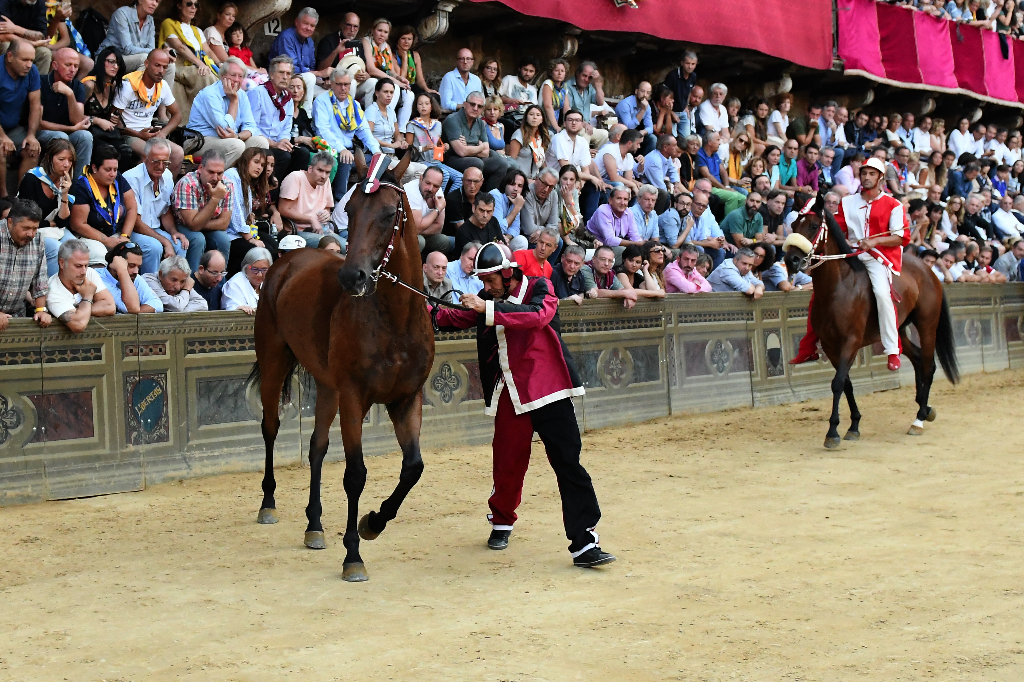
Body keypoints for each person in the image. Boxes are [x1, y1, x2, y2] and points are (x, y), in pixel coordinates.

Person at [432, 242, 614, 567]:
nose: (485, 288)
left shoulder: (540, 287)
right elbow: (454, 317)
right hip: (510, 394)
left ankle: (584, 543)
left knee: (569, 465)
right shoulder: (489, 298)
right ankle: (501, 521)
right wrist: (426, 310)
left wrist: (484, 308)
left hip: (549, 389)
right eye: (483, 283)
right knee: (506, 463)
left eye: (490, 282)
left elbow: (536, 316)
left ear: (506, 273)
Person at [797, 157, 908, 370]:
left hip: (879, 257)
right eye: (864, 173)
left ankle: (892, 350)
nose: (866, 177)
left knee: (883, 294)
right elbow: (835, 230)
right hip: (853, 254)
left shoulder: (894, 204)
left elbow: (901, 237)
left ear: (881, 178)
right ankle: (813, 344)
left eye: (872, 174)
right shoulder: (847, 203)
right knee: (820, 294)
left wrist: (875, 240)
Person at [123, 137, 197, 273]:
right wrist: (165, 241)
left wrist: (174, 232)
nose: (161, 166)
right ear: (145, 158)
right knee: (154, 247)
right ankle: (152, 286)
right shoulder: (131, 178)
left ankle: (175, 283)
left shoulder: (167, 175)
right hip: (133, 230)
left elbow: (165, 210)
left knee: (180, 243)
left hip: (154, 229)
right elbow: (136, 223)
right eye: (156, 161)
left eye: (165, 162)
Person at [68, 143, 143, 266]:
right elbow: (78, 224)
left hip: (117, 233)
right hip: (89, 237)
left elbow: (131, 207)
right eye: (108, 170)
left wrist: (125, 236)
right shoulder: (82, 186)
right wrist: (106, 240)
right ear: (94, 168)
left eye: (115, 169)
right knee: (100, 253)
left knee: (141, 250)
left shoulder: (117, 178)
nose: (113, 174)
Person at [313, 67, 381, 201]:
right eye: (339, 84)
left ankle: (371, 201)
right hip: (329, 150)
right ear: (332, 84)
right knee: (345, 159)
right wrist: (341, 149)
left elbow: (365, 132)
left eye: (347, 84)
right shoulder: (322, 101)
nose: (343, 88)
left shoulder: (354, 105)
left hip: (350, 151)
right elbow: (323, 130)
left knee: (377, 161)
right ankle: (340, 201)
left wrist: (377, 152)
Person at [113, 48, 184, 176]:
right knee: (152, 154)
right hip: (128, 134)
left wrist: (163, 133)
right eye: (157, 65)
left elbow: (177, 115)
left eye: (164, 67)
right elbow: (113, 120)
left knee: (178, 153)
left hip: (149, 134)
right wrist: (138, 134)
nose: (161, 71)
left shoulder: (163, 86)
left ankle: (165, 191)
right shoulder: (129, 85)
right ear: (146, 64)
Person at [188, 57, 268, 166]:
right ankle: (218, 179)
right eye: (232, 75)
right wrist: (234, 101)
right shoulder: (210, 94)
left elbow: (251, 126)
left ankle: (240, 180)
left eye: (240, 76)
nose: (236, 79)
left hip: (231, 139)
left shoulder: (242, 94)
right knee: (237, 145)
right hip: (199, 141)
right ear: (222, 76)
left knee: (260, 142)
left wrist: (238, 136)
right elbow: (225, 130)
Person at [248, 55, 308, 184]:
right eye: (281, 72)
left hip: (277, 144)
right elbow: (251, 127)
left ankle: (289, 194)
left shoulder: (288, 100)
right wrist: (274, 144)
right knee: (283, 157)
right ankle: (271, 197)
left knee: (302, 154)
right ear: (272, 74)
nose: (285, 77)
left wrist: (284, 141)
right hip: (260, 143)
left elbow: (287, 127)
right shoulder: (258, 93)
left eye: (288, 73)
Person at [158, 0, 220, 123]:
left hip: (196, 66)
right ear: (179, 5)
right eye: (189, 4)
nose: (193, 7)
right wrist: (200, 63)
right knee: (206, 76)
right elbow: (180, 47)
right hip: (178, 65)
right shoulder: (169, 23)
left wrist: (220, 65)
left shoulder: (197, 30)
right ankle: (215, 120)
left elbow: (208, 51)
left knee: (221, 78)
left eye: (196, 5)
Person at [19, 138, 73, 276]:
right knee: (55, 248)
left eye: (70, 160)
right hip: (29, 229)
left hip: (52, 229)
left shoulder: (66, 182)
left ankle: (70, 289)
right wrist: (50, 223)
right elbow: (27, 218)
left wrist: (64, 194)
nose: (66, 164)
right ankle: (51, 290)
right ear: (49, 158)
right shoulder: (32, 179)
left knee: (74, 247)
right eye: (61, 159)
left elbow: (62, 222)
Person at [37, 47, 91, 174]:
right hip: (42, 132)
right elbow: (37, 122)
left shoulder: (77, 86)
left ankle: (78, 187)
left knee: (85, 136)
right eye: (68, 65)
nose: (73, 70)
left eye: (76, 66)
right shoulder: (41, 82)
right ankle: (53, 184)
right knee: (61, 137)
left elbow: (77, 120)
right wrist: (70, 129)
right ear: (55, 65)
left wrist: (70, 94)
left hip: (66, 132)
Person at [172, 148, 233, 260]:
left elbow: (224, 223)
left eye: (219, 173)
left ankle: (219, 277)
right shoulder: (188, 183)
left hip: (200, 225)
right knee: (198, 239)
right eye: (211, 172)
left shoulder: (227, 184)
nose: (215, 178)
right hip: (181, 225)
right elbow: (193, 226)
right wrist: (215, 199)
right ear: (200, 168)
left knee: (223, 239)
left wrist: (198, 222)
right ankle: (193, 276)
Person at [546, 108, 606, 220]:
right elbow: (566, 169)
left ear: (582, 124)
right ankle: (571, 223)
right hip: (556, 179)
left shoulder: (582, 141)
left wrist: (581, 184)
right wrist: (591, 178)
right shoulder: (559, 139)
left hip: (572, 179)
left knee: (595, 186)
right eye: (570, 120)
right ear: (564, 123)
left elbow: (586, 168)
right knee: (591, 181)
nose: (574, 123)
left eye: (577, 120)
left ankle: (588, 225)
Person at [0, 39, 42, 197]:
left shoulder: (32, 72)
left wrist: (31, 135)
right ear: (9, 56)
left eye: (31, 60)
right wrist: (2, 137)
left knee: (33, 150)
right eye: (25, 60)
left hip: (14, 128)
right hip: (1, 130)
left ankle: (21, 199)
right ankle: (4, 198)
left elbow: (35, 104)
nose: (29, 64)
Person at [441, 90, 506, 192]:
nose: (475, 108)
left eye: (479, 106)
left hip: (473, 157)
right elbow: (461, 151)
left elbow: (486, 152)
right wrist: (479, 147)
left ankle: (488, 197)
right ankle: (473, 197)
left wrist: (468, 147)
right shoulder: (453, 119)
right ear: (465, 104)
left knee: (501, 163)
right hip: (452, 158)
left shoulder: (480, 122)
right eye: (472, 104)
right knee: (477, 162)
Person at [0, 197, 50, 329]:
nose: (31, 234)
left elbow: (40, 278)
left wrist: (40, 310)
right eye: (26, 228)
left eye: (35, 228)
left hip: (17, 316)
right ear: (10, 222)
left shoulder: (38, 239)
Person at [267, 7, 331, 107]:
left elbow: (311, 68)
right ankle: (305, 117)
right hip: (283, 78)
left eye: (312, 25)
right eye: (305, 23)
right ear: (297, 22)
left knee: (331, 92)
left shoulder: (310, 42)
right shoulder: (286, 37)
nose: (308, 28)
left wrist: (322, 82)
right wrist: (320, 73)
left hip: (303, 81)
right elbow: (292, 69)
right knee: (309, 78)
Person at [46, 238, 115, 330]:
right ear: (62, 263)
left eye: (86, 265)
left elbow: (110, 306)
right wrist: (88, 297)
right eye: (78, 266)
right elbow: (78, 324)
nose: (83, 271)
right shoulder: (51, 289)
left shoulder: (90, 273)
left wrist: (78, 311)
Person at [358, 18, 413, 134]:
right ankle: (383, 122)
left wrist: (399, 78)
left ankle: (400, 130)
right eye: (380, 30)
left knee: (409, 94)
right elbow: (371, 69)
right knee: (395, 87)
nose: (382, 34)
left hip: (384, 82)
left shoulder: (386, 46)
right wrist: (394, 81)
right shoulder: (366, 41)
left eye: (385, 32)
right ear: (373, 30)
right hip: (370, 83)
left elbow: (391, 71)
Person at [98, 0, 174, 81]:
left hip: (131, 60)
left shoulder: (150, 21)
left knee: (169, 65)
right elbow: (128, 49)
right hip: (110, 58)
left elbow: (151, 51)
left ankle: (160, 93)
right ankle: (132, 92)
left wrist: (162, 56)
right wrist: (161, 52)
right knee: (145, 60)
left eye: (157, 1)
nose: (154, 4)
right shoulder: (122, 13)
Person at [224, 146, 272, 273]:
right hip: (228, 233)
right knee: (255, 251)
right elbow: (234, 212)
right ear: (246, 161)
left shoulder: (246, 180)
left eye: (262, 165)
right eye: (256, 162)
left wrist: (249, 215)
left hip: (239, 232)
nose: (259, 168)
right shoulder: (232, 175)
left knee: (272, 245)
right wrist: (250, 238)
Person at [406, 92, 462, 193]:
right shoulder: (412, 124)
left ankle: (446, 201)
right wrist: (423, 148)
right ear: (416, 107)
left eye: (427, 103)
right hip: (421, 161)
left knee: (459, 178)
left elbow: (437, 144)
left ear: (432, 106)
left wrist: (444, 146)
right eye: (420, 104)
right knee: (444, 175)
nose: (423, 106)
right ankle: (434, 201)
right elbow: (408, 149)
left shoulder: (437, 124)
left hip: (436, 161)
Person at [277, 149, 334, 247]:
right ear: (310, 169)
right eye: (320, 170)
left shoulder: (326, 181)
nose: (324, 176)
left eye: (327, 172)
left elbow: (327, 208)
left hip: (320, 230)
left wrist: (326, 214)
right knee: (329, 245)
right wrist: (311, 219)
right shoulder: (295, 177)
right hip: (295, 231)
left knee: (345, 246)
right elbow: (283, 209)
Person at [97, 240, 162, 313]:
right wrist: (122, 270)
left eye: (138, 267)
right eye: (131, 266)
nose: (136, 271)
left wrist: (137, 313)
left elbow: (157, 304)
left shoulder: (134, 277)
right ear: (116, 262)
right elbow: (127, 308)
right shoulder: (97, 277)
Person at [404, 165, 451, 255]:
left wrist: (420, 229)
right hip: (402, 235)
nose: (430, 189)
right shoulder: (411, 191)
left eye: (436, 186)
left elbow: (439, 227)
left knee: (443, 241)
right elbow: (416, 229)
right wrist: (437, 209)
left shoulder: (438, 191)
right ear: (421, 178)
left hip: (417, 233)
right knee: (420, 241)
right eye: (428, 183)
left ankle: (429, 266)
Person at [697, 131, 744, 216]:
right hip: (710, 187)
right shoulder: (700, 154)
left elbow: (723, 172)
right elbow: (707, 176)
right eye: (718, 140)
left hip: (720, 187)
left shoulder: (715, 154)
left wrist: (726, 186)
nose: (720, 142)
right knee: (733, 197)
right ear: (710, 142)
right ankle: (727, 226)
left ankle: (736, 225)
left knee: (743, 198)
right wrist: (724, 188)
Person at [585, 185, 642, 255]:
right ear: (610, 200)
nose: (622, 202)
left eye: (625, 199)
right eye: (619, 198)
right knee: (624, 250)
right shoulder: (603, 211)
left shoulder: (628, 212)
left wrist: (641, 245)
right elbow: (610, 240)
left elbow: (634, 236)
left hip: (610, 248)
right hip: (594, 248)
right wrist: (636, 244)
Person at [142, 254, 207, 312]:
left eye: (182, 281)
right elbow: (176, 307)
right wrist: (186, 290)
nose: (178, 287)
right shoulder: (148, 280)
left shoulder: (184, 283)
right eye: (174, 280)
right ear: (161, 275)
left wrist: (181, 311)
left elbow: (202, 304)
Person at [566, 61, 606, 146]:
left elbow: (600, 102)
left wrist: (598, 84)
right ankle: (585, 159)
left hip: (586, 126)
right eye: (584, 76)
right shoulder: (568, 86)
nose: (587, 79)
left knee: (604, 135)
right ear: (577, 73)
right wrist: (583, 124)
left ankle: (595, 158)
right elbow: (568, 111)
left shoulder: (589, 88)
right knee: (585, 137)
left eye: (589, 78)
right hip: (573, 126)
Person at [686, 189, 729, 268]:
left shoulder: (701, 217)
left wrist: (716, 240)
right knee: (699, 249)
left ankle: (711, 279)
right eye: (698, 204)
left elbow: (702, 238)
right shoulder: (686, 216)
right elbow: (687, 242)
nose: (701, 208)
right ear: (692, 203)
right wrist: (709, 243)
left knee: (720, 252)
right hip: (683, 247)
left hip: (696, 245)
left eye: (704, 206)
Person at [222, 246, 271, 314]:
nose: (259, 274)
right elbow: (231, 307)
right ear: (246, 267)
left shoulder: (269, 283)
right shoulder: (234, 284)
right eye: (255, 269)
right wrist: (238, 309)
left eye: (264, 270)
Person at [453, 192, 503, 257]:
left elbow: (502, 245)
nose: (485, 215)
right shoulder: (464, 232)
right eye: (481, 210)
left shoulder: (493, 221)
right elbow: (468, 260)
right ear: (474, 208)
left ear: (493, 210)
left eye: (489, 211)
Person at [596, 125, 642, 195]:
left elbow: (628, 180)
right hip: (596, 178)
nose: (639, 147)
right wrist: (633, 185)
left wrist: (631, 188)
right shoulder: (610, 150)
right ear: (629, 143)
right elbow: (613, 177)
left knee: (636, 191)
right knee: (619, 185)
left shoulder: (629, 156)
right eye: (638, 143)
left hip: (607, 181)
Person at [489, 167, 527, 251]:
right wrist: (516, 208)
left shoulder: (517, 199)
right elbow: (498, 228)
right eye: (512, 184)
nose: (516, 189)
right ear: (505, 184)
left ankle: (514, 264)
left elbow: (516, 228)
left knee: (522, 241)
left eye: (520, 186)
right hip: (489, 239)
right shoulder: (495, 195)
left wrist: (507, 238)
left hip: (504, 239)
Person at [589, 244, 638, 309]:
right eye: (603, 259)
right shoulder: (585, 269)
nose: (606, 264)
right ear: (593, 259)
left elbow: (621, 289)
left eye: (610, 261)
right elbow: (596, 292)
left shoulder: (610, 273)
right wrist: (624, 293)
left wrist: (628, 296)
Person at [507, 104, 549, 180]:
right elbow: (511, 162)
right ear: (526, 118)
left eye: (538, 115)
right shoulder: (519, 134)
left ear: (542, 119)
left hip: (534, 179)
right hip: (519, 179)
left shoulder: (540, 137)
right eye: (531, 114)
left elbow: (541, 162)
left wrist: (549, 173)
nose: (534, 117)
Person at [521, 167, 560, 243]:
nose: (546, 190)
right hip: (527, 236)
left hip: (541, 235)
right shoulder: (527, 193)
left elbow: (554, 225)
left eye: (551, 187)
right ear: (536, 180)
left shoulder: (553, 194)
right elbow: (529, 229)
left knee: (558, 242)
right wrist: (545, 229)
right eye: (544, 184)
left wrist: (540, 231)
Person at [615, 80, 654, 156]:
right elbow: (630, 127)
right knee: (633, 139)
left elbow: (650, 128)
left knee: (652, 139)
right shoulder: (625, 104)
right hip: (620, 133)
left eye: (648, 93)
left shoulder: (647, 106)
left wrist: (642, 132)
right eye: (642, 91)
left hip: (634, 133)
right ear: (636, 91)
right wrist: (642, 110)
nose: (645, 95)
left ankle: (642, 164)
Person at [662, 51, 697, 133]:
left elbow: (689, 92)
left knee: (686, 139)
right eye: (687, 63)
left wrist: (687, 107)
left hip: (683, 112)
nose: (690, 66)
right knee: (672, 137)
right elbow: (664, 95)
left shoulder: (693, 76)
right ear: (682, 63)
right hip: (671, 111)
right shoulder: (672, 76)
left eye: (693, 64)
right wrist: (670, 113)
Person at [498, 55, 538, 128]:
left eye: (531, 71)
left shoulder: (533, 89)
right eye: (525, 70)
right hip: (510, 119)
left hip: (528, 122)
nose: (527, 74)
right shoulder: (509, 79)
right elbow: (495, 99)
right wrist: (510, 101)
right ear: (519, 69)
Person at [540, 58, 569, 134]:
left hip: (556, 123)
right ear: (551, 72)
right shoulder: (548, 83)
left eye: (562, 71)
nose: (560, 73)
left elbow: (566, 108)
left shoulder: (564, 87)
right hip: (545, 123)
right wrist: (556, 127)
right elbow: (548, 106)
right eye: (556, 70)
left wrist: (569, 123)